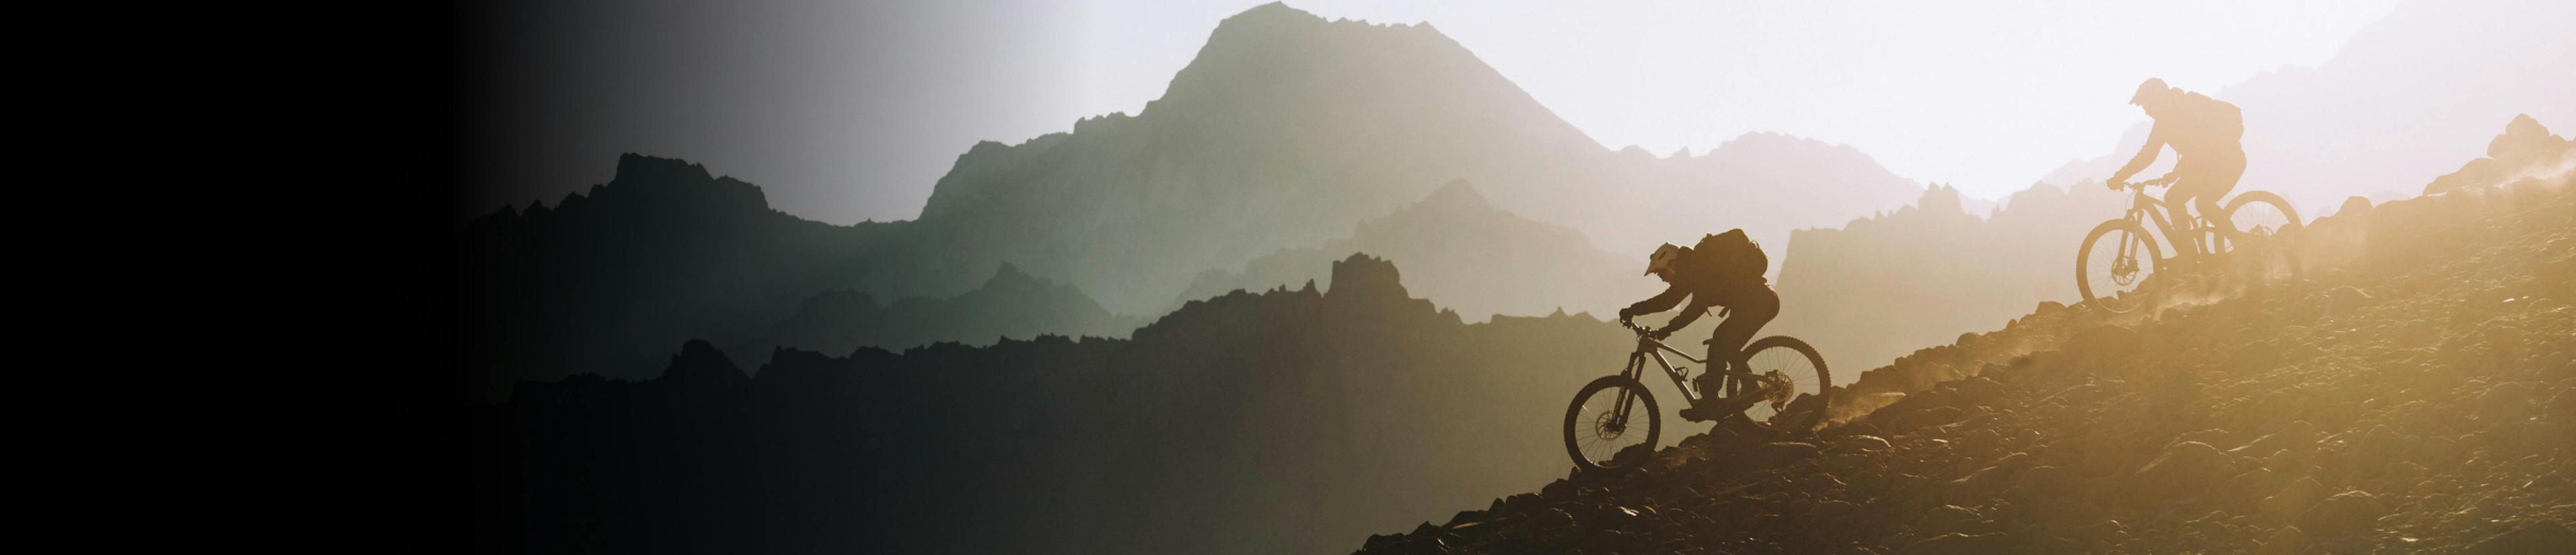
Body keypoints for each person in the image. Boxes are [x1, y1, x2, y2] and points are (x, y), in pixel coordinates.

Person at [1616, 230, 1780, 422]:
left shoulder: (1698, 269)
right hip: (1756, 302)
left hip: (1759, 303)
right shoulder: (1692, 271)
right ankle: (1748, 387)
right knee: (1725, 342)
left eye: (1661, 273)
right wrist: (1636, 311)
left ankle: (1711, 403)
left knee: (1720, 342)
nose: (1662, 279)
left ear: (1672, 264)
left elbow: (1695, 307)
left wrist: (1666, 327)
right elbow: (1669, 301)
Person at [2106, 78, 2247, 268]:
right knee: (2177, 198)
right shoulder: (2163, 123)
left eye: (2147, 105)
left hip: (2228, 162)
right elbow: (2148, 155)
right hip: (2207, 166)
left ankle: (2240, 246)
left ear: (2158, 98)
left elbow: (2201, 148)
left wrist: (2176, 172)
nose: (2146, 111)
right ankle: (2192, 255)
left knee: (2196, 202)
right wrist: (2121, 176)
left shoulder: (2189, 110)